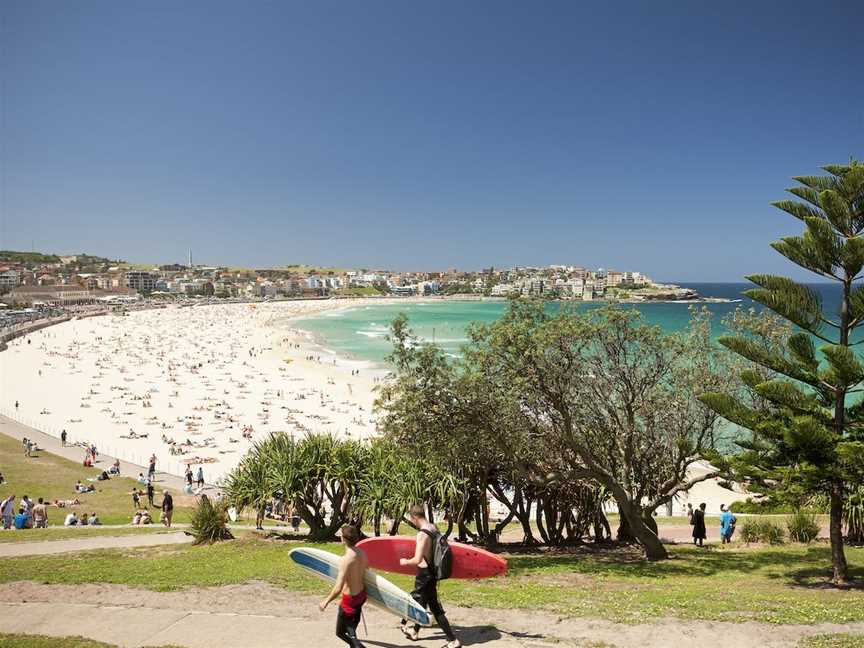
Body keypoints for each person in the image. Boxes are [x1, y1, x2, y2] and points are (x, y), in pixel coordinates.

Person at [399, 505, 461, 647]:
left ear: (414, 517)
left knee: (421, 603)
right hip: (432, 572)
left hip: (424, 574)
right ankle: (414, 631)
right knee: (423, 603)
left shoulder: (422, 534)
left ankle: (453, 640)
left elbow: (417, 559)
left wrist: (404, 561)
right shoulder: (433, 528)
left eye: (411, 519)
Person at [319, 525, 368, 648]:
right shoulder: (362, 553)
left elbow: (338, 588)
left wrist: (326, 601)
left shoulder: (345, 560)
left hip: (349, 601)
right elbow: (366, 571)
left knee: (340, 632)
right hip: (361, 596)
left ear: (343, 539)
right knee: (351, 629)